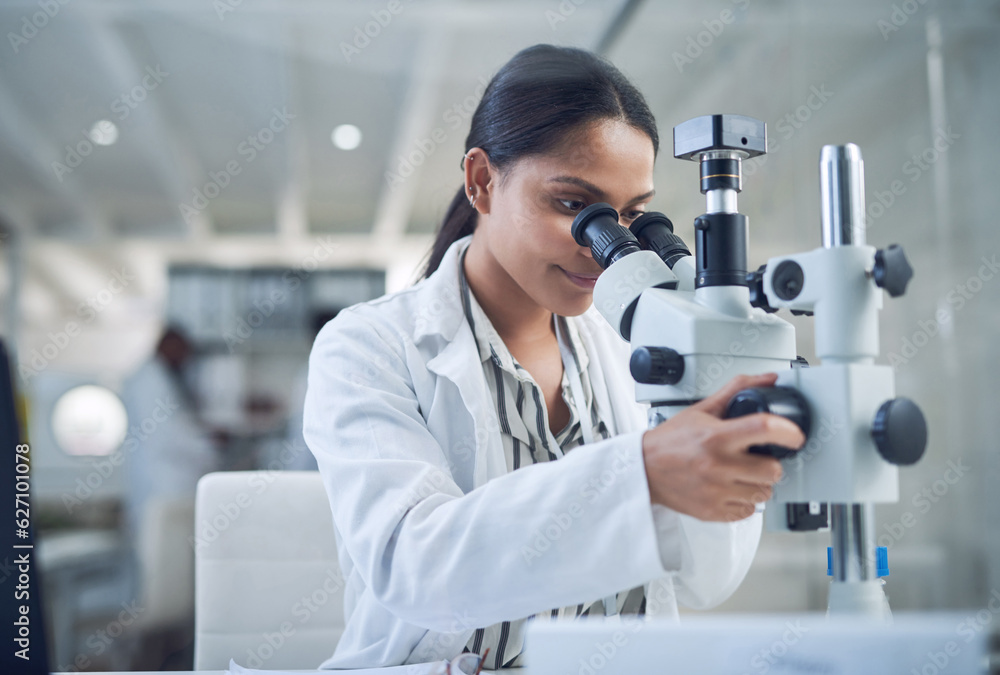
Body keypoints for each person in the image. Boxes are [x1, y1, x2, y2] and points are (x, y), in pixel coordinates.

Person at [303, 44, 805, 670]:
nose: (603, 248)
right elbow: (416, 565)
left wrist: (721, 442)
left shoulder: (631, 345)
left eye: (631, 217)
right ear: (482, 180)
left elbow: (702, 580)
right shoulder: (367, 347)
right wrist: (643, 472)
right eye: (574, 206)